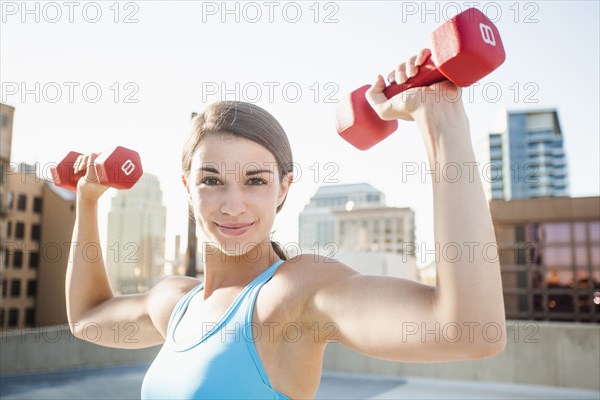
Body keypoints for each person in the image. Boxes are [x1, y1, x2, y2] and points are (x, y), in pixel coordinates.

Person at [65, 49, 506, 399]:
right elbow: (87, 318)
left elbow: (469, 331)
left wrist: (439, 118)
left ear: (283, 188)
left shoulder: (296, 293)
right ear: (187, 186)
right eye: (211, 180)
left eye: (255, 180)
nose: (233, 204)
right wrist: (87, 202)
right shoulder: (175, 303)